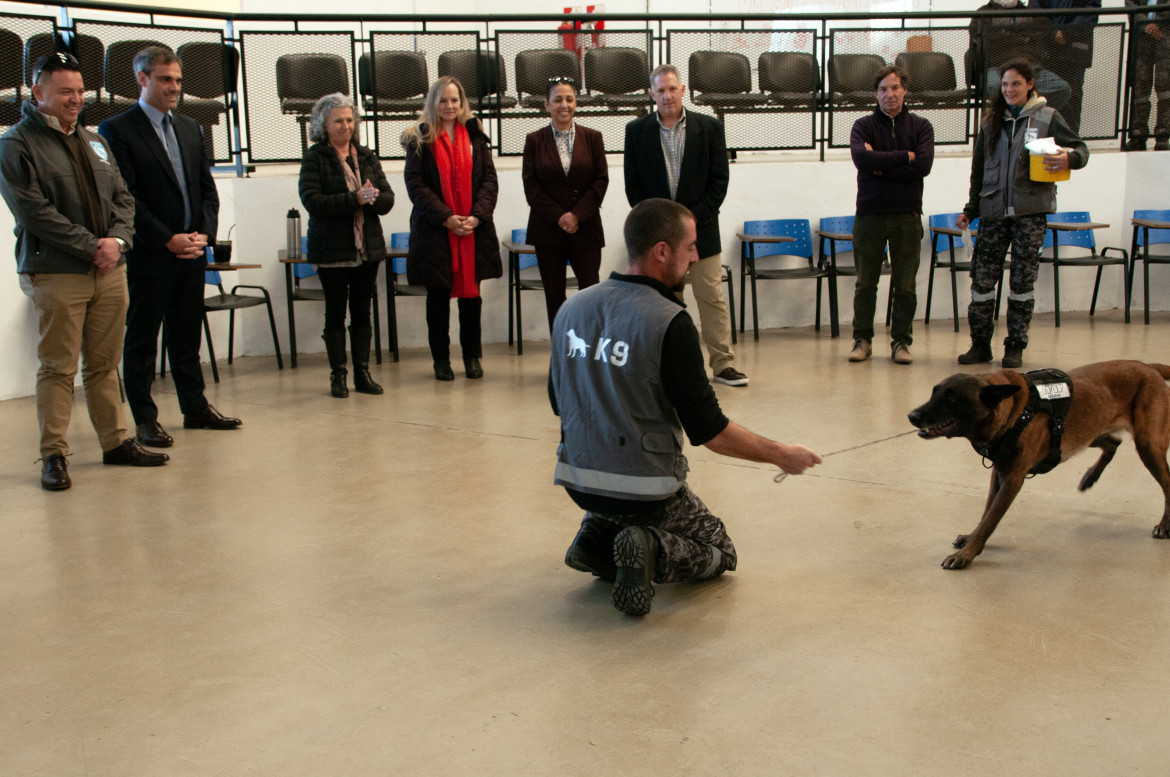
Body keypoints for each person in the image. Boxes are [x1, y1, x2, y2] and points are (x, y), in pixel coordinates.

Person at [549, 198, 822, 616]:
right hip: (644, 492)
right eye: (691, 247)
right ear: (662, 252)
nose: (696, 256)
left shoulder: (571, 308)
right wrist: (781, 455)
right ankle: (650, 546)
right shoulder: (669, 321)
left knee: (614, 501)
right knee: (719, 551)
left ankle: (595, 540)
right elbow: (710, 431)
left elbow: (558, 400)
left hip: (577, 481)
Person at [0, 52, 168, 490]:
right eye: (65, 92)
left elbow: (123, 199)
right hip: (57, 272)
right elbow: (34, 212)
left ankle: (115, 442)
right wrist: (92, 246)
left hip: (109, 270)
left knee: (104, 363)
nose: (76, 99)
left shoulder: (95, 140)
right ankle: (53, 455)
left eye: (80, 91)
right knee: (57, 367)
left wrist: (117, 242)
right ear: (38, 93)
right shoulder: (16, 143)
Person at [98, 46, 241, 447]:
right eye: (165, 79)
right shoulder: (117, 130)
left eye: (178, 80)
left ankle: (195, 407)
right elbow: (126, 197)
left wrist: (202, 235)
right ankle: (144, 418)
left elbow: (206, 192)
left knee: (186, 333)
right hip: (150, 254)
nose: (174, 87)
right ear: (142, 79)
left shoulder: (191, 128)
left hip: (192, 251)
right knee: (143, 338)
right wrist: (167, 238)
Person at [956, 59, 1088, 369]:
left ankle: (1015, 347)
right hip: (992, 214)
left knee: (1022, 284)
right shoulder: (990, 123)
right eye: (1004, 85)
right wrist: (970, 210)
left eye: (1015, 83)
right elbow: (978, 173)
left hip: (1031, 214)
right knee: (982, 284)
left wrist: (1069, 158)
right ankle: (980, 345)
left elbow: (1081, 149)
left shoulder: (1048, 117)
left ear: (1030, 84)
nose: (1009, 89)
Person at [624, 64, 747, 388]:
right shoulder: (636, 132)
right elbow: (634, 188)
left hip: (702, 232)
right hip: (659, 241)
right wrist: (661, 226)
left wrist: (691, 221)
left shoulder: (709, 128)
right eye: (660, 90)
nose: (667, 95)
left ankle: (722, 365)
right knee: (661, 302)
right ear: (652, 94)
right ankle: (663, 367)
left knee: (711, 298)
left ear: (683, 91)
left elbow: (718, 183)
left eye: (672, 89)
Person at [401, 76, 500, 381]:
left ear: (462, 103)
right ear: (433, 103)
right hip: (435, 230)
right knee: (438, 299)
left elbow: (489, 182)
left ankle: (472, 357)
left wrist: (476, 216)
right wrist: (446, 217)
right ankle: (441, 361)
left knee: (471, 299)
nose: (449, 106)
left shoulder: (476, 137)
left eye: (454, 100)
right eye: (443, 100)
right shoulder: (421, 138)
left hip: (472, 231)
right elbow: (416, 186)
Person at [298, 93, 395, 398]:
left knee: (362, 311)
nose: (346, 126)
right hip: (332, 248)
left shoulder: (366, 156)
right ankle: (338, 375)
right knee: (335, 312)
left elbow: (389, 199)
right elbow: (312, 201)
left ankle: (362, 373)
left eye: (350, 120)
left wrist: (374, 197)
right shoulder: (315, 157)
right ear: (323, 125)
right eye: (338, 120)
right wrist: (354, 199)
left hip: (367, 247)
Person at [847, 65, 934, 365]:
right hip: (869, 215)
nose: (890, 94)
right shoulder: (862, 126)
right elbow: (862, 158)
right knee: (866, 282)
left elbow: (923, 166)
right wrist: (904, 157)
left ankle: (901, 342)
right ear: (876, 94)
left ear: (905, 90)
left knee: (905, 283)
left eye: (895, 88)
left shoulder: (921, 127)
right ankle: (863, 339)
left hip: (907, 216)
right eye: (883, 89)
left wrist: (880, 165)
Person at [521, 76, 608, 329]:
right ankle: (562, 357)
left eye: (569, 99)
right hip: (548, 231)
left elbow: (601, 181)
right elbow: (531, 187)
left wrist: (576, 215)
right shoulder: (534, 140)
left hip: (586, 228)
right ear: (546, 105)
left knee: (590, 295)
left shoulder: (593, 138)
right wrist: (561, 217)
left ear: (576, 103)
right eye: (557, 99)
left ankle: (590, 357)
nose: (564, 105)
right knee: (554, 296)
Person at [970, 0, 1072, 111]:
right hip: (996, 68)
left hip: (1029, 68)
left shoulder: (1031, 13)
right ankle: (1020, 116)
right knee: (995, 86)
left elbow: (1041, 34)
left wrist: (1005, 35)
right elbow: (985, 40)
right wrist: (1021, 37)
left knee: (1062, 89)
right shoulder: (983, 13)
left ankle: (1024, 115)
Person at [1032, 0, 1100, 135]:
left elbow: (1090, 11)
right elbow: (1034, 9)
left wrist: (1067, 33)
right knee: (1045, 97)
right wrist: (1052, 32)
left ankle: (1070, 139)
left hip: (1074, 50)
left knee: (1072, 96)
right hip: (1046, 49)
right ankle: (1046, 139)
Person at [1125, 0, 1170, 151]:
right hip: (1141, 37)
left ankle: (1163, 135)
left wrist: (1158, 22)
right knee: (1140, 88)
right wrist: (1146, 25)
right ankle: (1138, 134)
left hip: (1166, 35)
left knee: (1166, 88)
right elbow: (1131, 4)